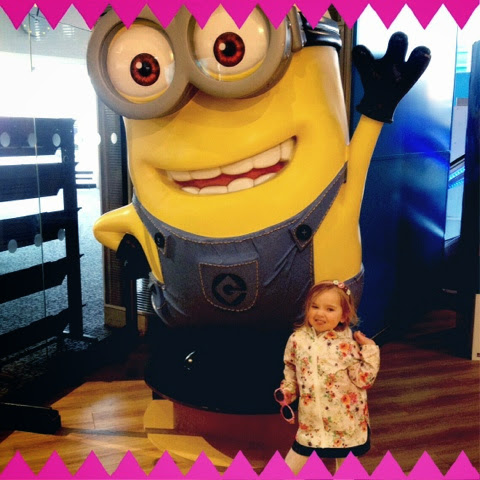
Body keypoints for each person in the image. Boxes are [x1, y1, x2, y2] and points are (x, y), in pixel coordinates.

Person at [275, 280, 380, 473]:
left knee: (347, 467)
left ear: (343, 315)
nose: (320, 313)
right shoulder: (297, 340)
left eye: (330, 309)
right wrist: (288, 390)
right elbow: (291, 367)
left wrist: (370, 349)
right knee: (293, 462)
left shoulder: (347, 345)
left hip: (346, 423)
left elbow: (364, 380)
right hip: (311, 422)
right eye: (314, 306)